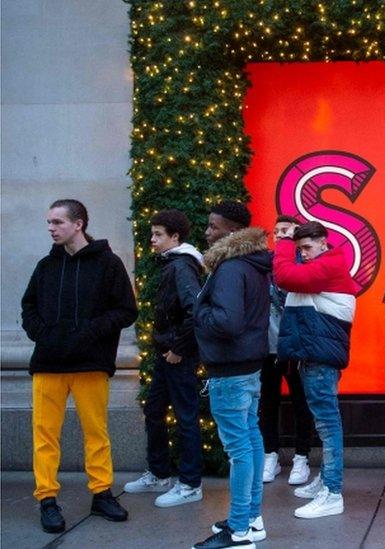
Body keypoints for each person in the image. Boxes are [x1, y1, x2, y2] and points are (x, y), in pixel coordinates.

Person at [22, 199, 137, 533]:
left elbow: (126, 310)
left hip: (90, 363)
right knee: (44, 434)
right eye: (49, 223)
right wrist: (42, 334)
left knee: (96, 433)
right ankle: (47, 498)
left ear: (79, 224)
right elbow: (28, 306)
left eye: (57, 222)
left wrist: (90, 333)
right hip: (48, 364)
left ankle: (101, 493)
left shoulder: (108, 263)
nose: (51, 229)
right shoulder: (46, 266)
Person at [192, 201, 272, 549]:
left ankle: (238, 532)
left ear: (232, 231)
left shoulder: (229, 268)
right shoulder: (252, 264)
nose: (207, 233)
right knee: (250, 441)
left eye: (213, 227)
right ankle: (250, 520)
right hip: (248, 366)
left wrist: (199, 312)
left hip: (230, 369)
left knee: (240, 448)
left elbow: (227, 321)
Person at [272, 221, 356, 519]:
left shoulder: (328, 266)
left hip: (320, 360)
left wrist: (283, 242)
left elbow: (283, 275)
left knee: (328, 425)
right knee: (324, 424)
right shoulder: (323, 265)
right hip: (313, 357)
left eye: (307, 247)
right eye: (299, 249)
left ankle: (332, 492)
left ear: (323, 243)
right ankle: (326, 482)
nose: (303, 254)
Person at [124, 209, 205, 507]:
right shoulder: (173, 264)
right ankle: (159, 473)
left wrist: (179, 349)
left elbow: (193, 312)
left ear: (176, 236)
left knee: (185, 417)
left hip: (176, 356)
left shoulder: (182, 267)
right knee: (155, 409)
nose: (152, 240)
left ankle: (190, 484)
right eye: (152, 233)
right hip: (166, 353)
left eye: (158, 235)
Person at [260, 215, 315, 486]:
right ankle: (270, 455)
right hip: (267, 346)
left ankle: (301, 457)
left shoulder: (303, 263)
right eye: (276, 230)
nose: (280, 234)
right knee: (266, 403)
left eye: (286, 230)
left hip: (296, 345)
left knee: (301, 402)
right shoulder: (263, 263)